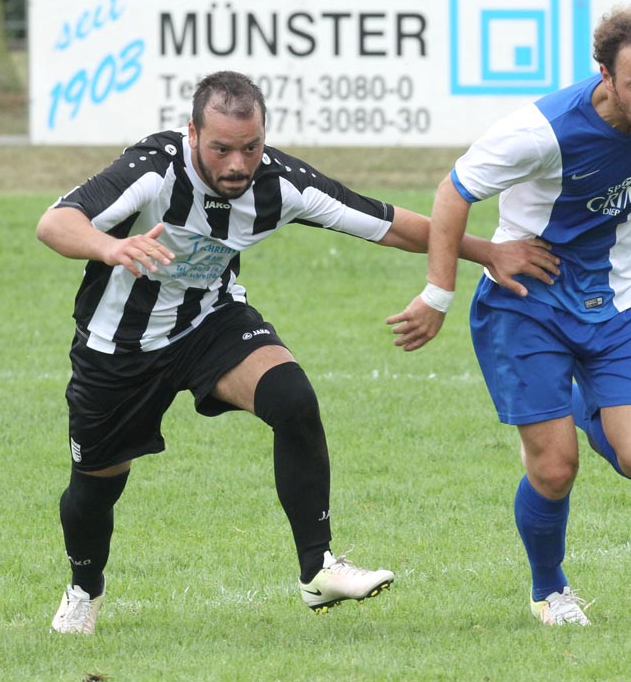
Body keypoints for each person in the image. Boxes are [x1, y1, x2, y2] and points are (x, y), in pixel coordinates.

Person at [37, 70, 559, 634]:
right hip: (118, 346)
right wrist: (111, 246)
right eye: (221, 149)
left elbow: (386, 224)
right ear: (192, 134)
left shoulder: (278, 182)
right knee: (96, 482)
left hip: (209, 323)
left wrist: (485, 251)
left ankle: (318, 568)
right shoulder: (155, 168)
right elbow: (56, 222)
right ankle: (84, 590)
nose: (238, 164)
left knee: (292, 397)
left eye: (250, 147)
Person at [387, 3, 631, 626]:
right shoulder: (542, 131)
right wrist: (438, 294)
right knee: (555, 467)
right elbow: (453, 192)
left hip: (622, 297)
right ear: (605, 77)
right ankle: (550, 589)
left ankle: (590, 408)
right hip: (527, 303)